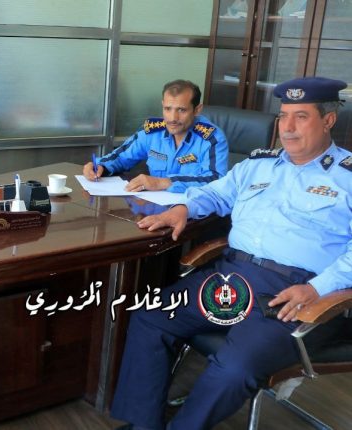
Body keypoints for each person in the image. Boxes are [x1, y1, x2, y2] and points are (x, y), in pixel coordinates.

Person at [110, 76, 351, 429]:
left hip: (294, 295)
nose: (287, 127)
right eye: (283, 116)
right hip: (232, 280)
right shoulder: (259, 164)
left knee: (235, 367)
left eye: (301, 117)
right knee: (152, 316)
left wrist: (318, 288)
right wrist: (184, 208)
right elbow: (216, 193)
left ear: (328, 120)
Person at [83, 80, 229, 193]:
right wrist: (100, 166)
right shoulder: (153, 132)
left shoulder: (211, 138)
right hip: (155, 207)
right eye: (167, 109)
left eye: (181, 110)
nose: (172, 118)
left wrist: (162, 182)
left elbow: (217, 180)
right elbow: (120, 157)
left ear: (197, 110)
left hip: (193, 211)